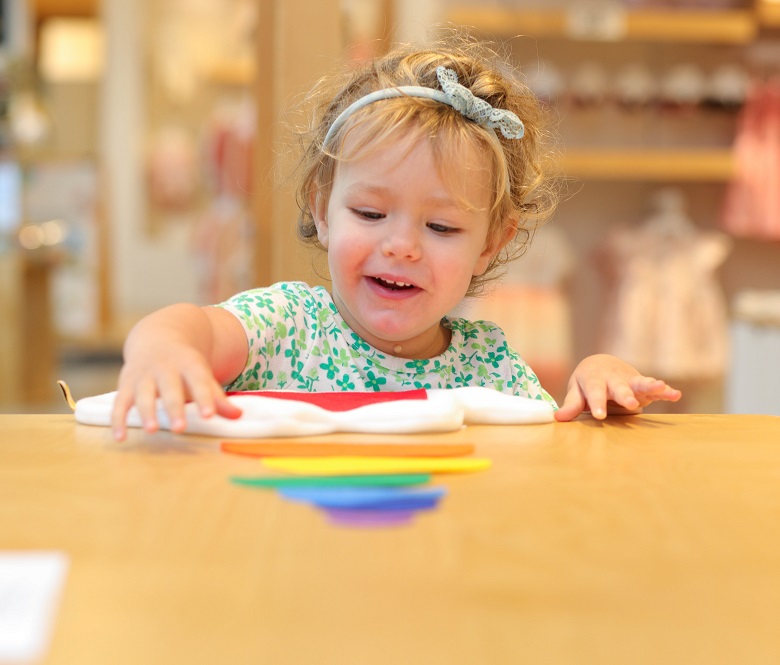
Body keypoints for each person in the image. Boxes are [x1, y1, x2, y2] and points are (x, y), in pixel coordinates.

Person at [111, 32, 681, 441]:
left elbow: (542, 449)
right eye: (370, 213)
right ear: (323, 210)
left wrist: (595, 387)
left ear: (491, 244)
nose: (401, 246)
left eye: (441, 227)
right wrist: (163, 350)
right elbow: (188, 328)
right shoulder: (284, 325)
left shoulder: (489, 363)